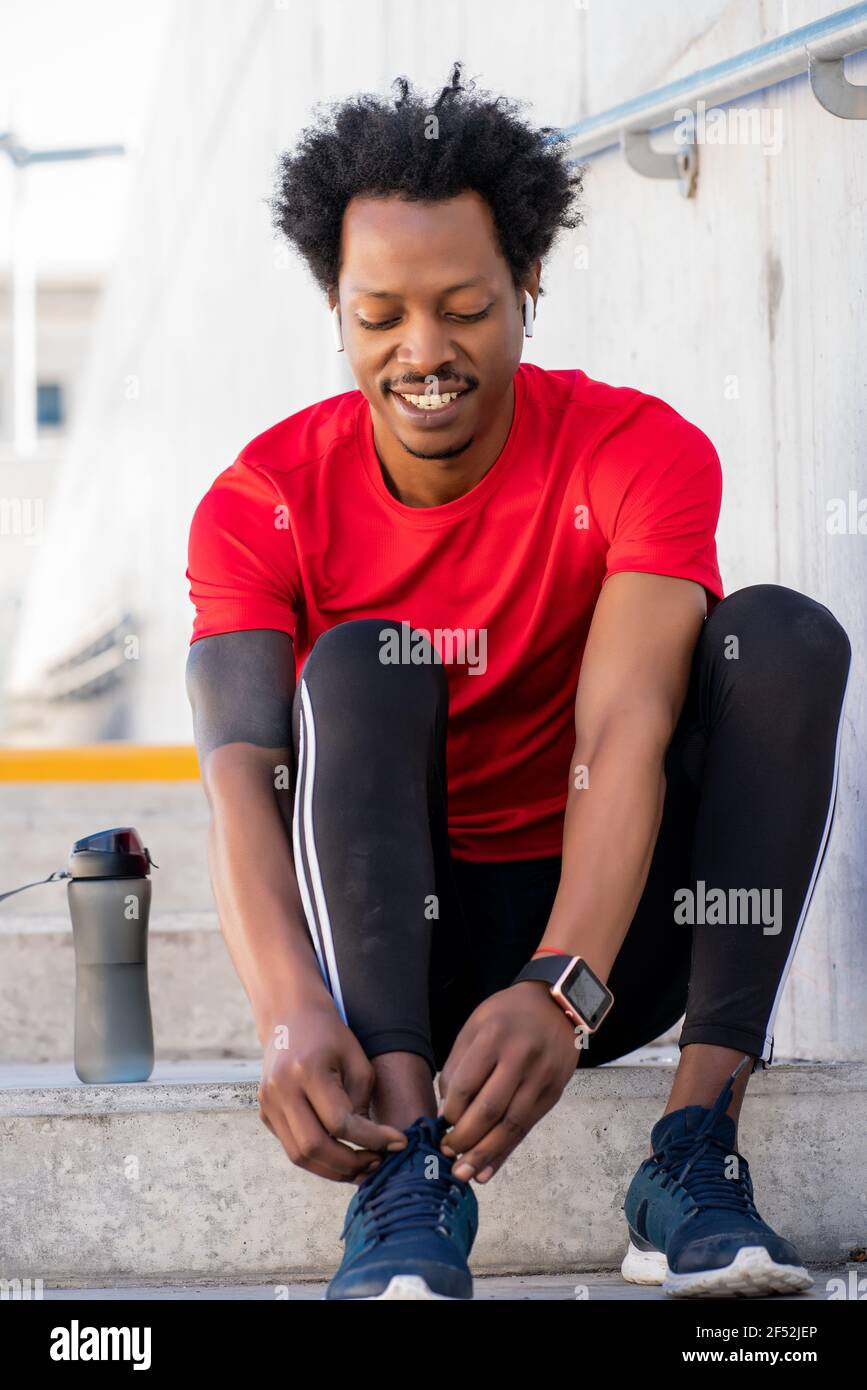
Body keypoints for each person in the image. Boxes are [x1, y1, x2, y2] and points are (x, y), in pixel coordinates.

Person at [184, 63, 851, 1301]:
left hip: (608, 929)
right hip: (393, 939)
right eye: (380, 314)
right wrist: (288, 1011)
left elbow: (627, 724)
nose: (423, 352)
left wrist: (565, 981)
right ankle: (406, 1176)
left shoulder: (637, 451)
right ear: (335, 304)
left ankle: (693, 1151)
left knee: (784, 636)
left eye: (465, 307)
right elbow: (240, 783)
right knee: (364, 657)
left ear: (529, 283)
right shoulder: (260, 500)